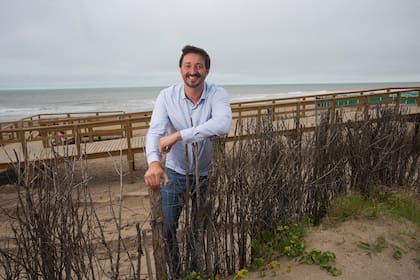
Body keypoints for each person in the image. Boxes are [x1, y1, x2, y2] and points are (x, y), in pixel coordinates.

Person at [144, 45, 232, 277]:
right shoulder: (167, 96)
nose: (193, 71)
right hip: (174, 172)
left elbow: (223, 125)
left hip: (204, 174)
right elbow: (155, 132)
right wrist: (154, 162)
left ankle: (194, 272)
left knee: (197, 229)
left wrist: (180, 135)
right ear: (180, 69)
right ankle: (175, 273)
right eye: (188, 66)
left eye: (199, 66)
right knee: (168, 228)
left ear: (207, 71)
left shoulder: (217, 94)